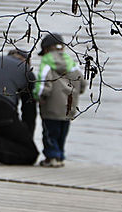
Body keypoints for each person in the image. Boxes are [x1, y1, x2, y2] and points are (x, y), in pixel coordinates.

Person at [32, 33, 87, 168]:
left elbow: (44, 83)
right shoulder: (71, 62)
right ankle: (60, 156)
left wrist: (38, 96)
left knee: (50, 132)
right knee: (62, 133)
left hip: (51, 106)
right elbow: (83, 83)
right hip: (69, 106)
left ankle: (52, 157)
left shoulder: (47, 61)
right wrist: (77, 93)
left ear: (45, 49)